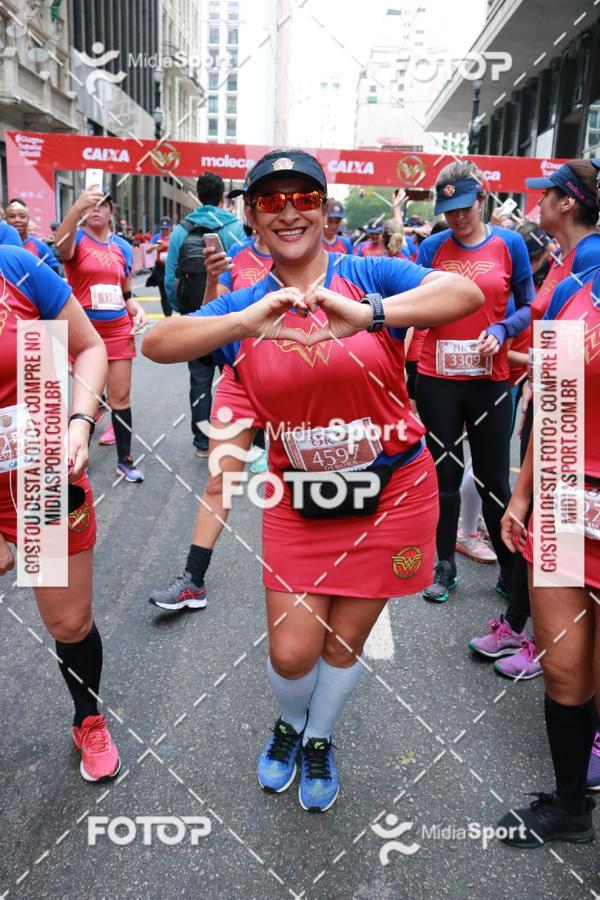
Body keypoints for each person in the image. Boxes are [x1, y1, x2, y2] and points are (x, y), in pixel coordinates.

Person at [143, 148, 483, 812]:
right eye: (272, 201)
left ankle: (317, 737)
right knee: (295, 652)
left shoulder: (365, 272)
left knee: (343, 641)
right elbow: (157, 343)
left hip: (393, 494)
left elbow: (465, 294)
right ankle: (290, 720)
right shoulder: (246, 303)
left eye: (304, 199)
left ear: (326, 212)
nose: (289, 212)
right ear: (252, 217)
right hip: (303, 502)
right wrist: (243, 322)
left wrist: (370, 315)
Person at [469, 160, 600, 679]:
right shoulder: (566, 257)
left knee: (563, 537)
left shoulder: (590, 259)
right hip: (552, 402)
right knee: (547, 530)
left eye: (546, 195)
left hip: (573, 424)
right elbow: (547, 325)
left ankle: (551, 649)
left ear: (568, 202)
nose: (537, 203)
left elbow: (575, 352)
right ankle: (529, 627)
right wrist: (509, 338)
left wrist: (528, 359)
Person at [0, 244, 121, 781]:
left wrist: (78, 422)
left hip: (38, 476)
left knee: (69, 621)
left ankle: (88, 717)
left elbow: (90, 347)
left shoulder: (15, 268)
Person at [498, 259, 600, 846]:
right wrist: (520, 496)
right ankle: (570, 809)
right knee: (564, 671)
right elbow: (555, 409)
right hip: (566, 505)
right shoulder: (575, 292)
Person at [415, 160, 534, 603]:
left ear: (481, 199)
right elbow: (411, 304)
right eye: (449, 212)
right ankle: (443, 566)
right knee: (444, 474)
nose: (458, 218)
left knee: (492, 480)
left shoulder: (510, 245)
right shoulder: (432, 248)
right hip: (437, 378)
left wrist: (502, 330)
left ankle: (509, 570)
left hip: (490, 379)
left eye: (465, 208)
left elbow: (528, 305)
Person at [149, 222, 273, 611]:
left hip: (297, 385)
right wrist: (215, 277)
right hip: (240, 381)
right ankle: (193, 580)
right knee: (220, 482)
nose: (285, 216)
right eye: (269, 204)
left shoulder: (310, 262)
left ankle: (316, 579)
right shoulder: (237, 259)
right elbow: (205, 318)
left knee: (302, 486)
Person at [55, 187, 147, 482]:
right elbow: (61, 248)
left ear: (111, 211)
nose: (96, 209)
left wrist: (137, 308)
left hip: (119, 329)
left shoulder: (121, 245)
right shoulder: (77, 239)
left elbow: (126, 291)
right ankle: (79, 455)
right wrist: (75, 209)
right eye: (90, 206)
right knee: (87, 399)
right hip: (83, 333)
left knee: (120, 397)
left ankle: (125, 460)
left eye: (102, 205)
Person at [165, 172, 247, 457]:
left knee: (199, 380)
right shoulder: (235, 228)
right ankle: (239, 436)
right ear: (223, 197)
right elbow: (243, 273)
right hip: (230, 320)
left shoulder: (180, 231)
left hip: (196, 317)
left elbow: (169, 276)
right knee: (237, 378)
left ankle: (202, 441)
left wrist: (183, 309)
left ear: (198, 195)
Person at [5, 198, 61, 273]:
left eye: (22, 216)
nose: (17, 220)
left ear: (28, 219)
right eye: (12, 216)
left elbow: (55, 276)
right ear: (6, 220)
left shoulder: (40, 246)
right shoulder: (2, 245)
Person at [147, 216, 173, 318]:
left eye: (166, 229)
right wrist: (155, 247)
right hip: (161, 268)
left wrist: (167, 245)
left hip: (172, 267)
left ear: (171, 228)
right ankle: (168, 316)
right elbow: (147, 250)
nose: (164, 231)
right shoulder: (157, 237)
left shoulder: (175, 236)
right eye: (162, 229)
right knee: (163, 293)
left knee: (172, 292)